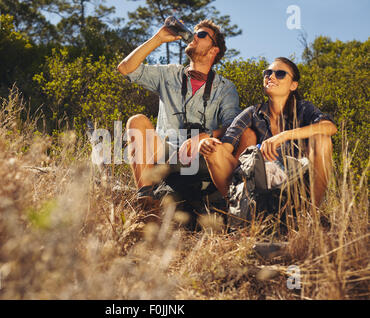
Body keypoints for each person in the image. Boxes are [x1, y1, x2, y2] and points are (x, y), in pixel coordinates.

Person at [117, 19, 255, 207]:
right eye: (194, 33)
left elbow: (233, 126)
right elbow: (126, 68)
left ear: (214, 50)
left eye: (202, 34)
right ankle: (146, 202)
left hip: (204, 157)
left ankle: (235, 203)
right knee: (137, 122)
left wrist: (204, 137)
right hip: (168, 153)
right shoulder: (170, 74)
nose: (193, 36)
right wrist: (158, 38)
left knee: (248, 134)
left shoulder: (224, 88)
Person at [198, 57, 337, 208]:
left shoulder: (304, 109)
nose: (270, 76)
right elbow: (226, 148)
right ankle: (242, 214)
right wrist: (209, 145)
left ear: (293, 85)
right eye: (268, 72)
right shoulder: (252, 113)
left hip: (296, 187)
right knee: (213, 151)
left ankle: (311, 216)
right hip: (258, 189)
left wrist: (284, 135)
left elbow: (329, 127)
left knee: (322, 140)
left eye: (280, 74)